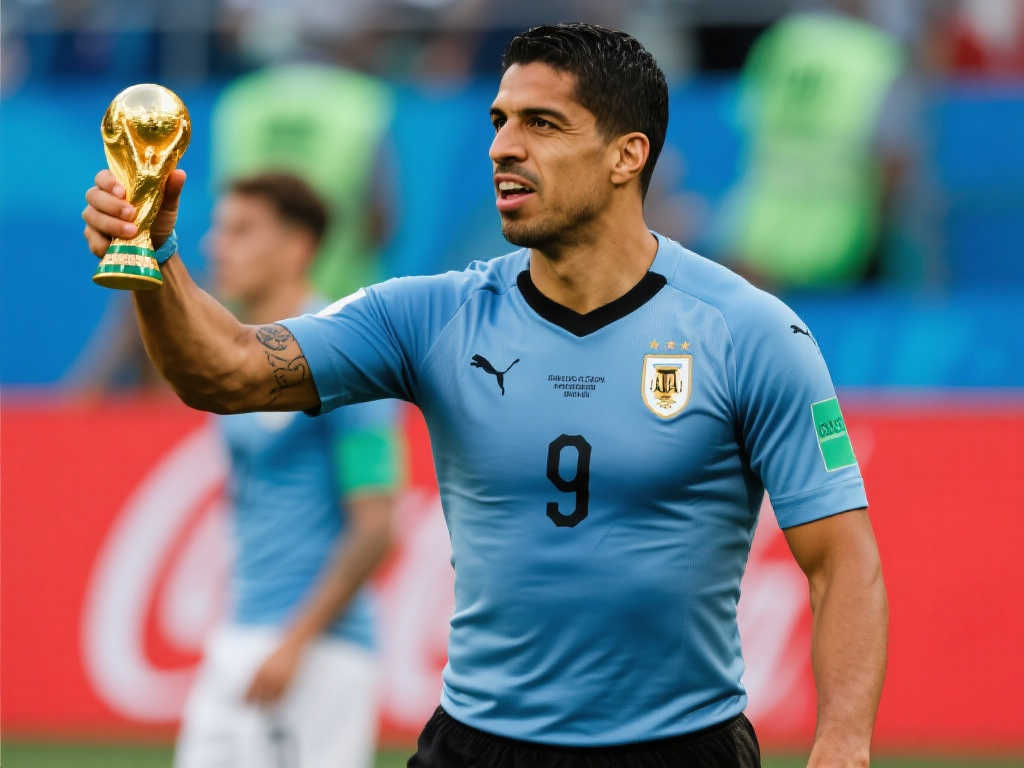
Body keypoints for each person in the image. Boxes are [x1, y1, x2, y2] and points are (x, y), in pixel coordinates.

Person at [82, 23, 887, 768]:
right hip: (478, 746)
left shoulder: (750, 333)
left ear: (626, 155)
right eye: (500, 121)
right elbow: (224, 370)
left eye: (542, 123)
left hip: (681, 749)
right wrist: (152, 252)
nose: (504, 146)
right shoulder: (431, 315)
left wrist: (844, 741)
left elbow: (841, 559)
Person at [169, 172, 401, 768]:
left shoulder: (347, 356)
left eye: (241, 231)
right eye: (219, 229)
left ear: (298, 247)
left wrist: (294, 644)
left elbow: (377, 526)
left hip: (320, 654)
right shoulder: (235, 359)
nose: (217, 246)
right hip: (240, 633)